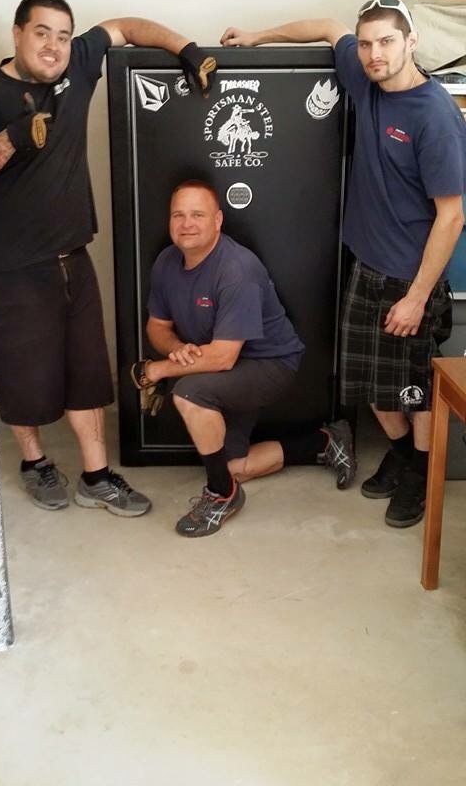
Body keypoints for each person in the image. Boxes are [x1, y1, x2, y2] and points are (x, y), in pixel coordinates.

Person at [0, 0, 216, 515]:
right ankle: (35, 463)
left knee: (87, 372)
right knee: (24, 377)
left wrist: (185, 48)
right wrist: (13, 138)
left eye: (63, 35)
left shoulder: (79, 63)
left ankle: (96, 475)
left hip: (72, 257)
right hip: (9, 267)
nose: (53, 45)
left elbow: (126, 26)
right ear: (17, 33)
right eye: (41, 32)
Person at [221, 0, 466, 527]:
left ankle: (421, 474)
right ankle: (401, 457)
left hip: (409, 279)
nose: (375, 53)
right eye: (369, 43)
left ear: (411, 42)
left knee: (412, 387)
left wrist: (417, 298)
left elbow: (452, 217)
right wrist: (258, 37)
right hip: (365, 267)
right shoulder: (365, 81)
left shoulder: (437, 118)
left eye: (387, 42)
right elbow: (328, 26)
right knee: (369, 383)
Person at [131, 180, 357, 538]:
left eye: (197, 215)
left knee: (188, 393)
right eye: (179, 215)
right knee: (233, 465)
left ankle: (222, 495)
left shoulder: (237, 268)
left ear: (218, 220)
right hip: (224, 364)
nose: (186, 223)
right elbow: (157, 327)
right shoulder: (166, 262)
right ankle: (325, 441)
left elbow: (223, 357)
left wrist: (159, 368)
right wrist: (175, 347)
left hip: (268, 364)